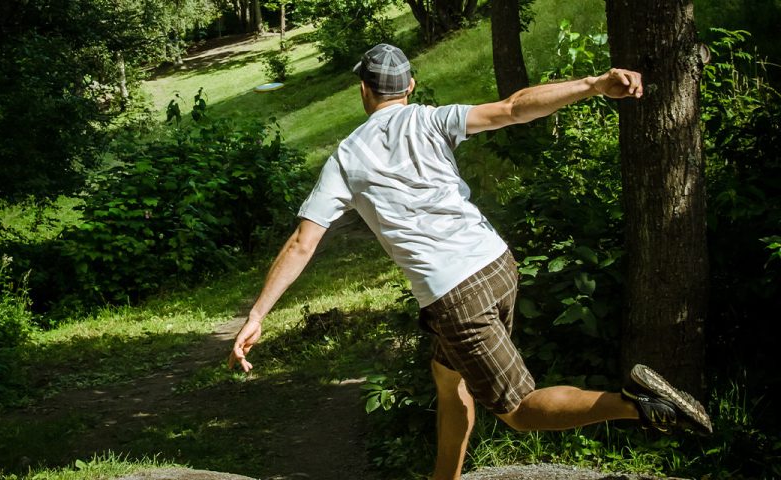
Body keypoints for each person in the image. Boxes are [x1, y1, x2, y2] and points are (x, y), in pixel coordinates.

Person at [227, 43, 712, 479]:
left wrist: (257, 315)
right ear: (410, 87)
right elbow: (513, 108)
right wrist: (593, 85)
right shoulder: (432, 118)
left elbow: (302, 242)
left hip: (454, 293)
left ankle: (638, 407)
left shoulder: (347, 156)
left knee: (519, 410)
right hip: (497, 263)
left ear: (363, 91)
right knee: (447, 378)